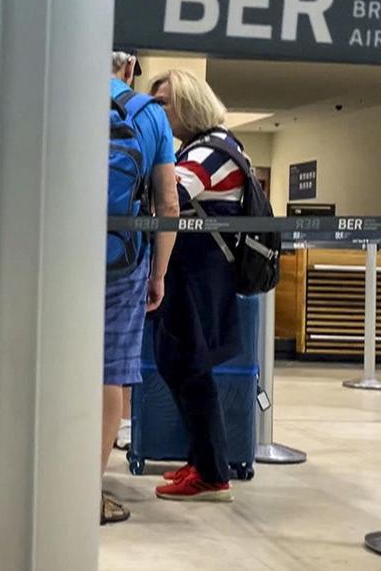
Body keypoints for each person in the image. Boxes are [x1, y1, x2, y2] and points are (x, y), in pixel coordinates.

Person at [150, 69, 244, 503]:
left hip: (197, 277)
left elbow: (170, 196)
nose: (158, 109)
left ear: (189, 103)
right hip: (193, 273)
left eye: (165, 101)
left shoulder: (210, 152)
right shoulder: (204, 147)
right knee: (181, 364)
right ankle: (204, 461)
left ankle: (211, 472)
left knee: (189, 367)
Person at [100, 50, 179, 525]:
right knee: (107, 376)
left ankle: (38, 480)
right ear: (128, 67)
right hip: (121, 262)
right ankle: (85, 491)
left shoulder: (53, 97)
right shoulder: (150, 115)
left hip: (52, 259)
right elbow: (168, 201)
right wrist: (158, 274)